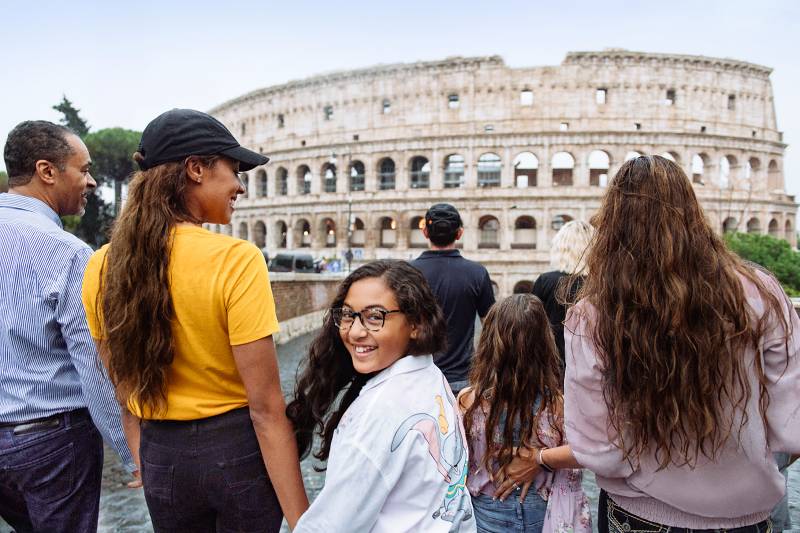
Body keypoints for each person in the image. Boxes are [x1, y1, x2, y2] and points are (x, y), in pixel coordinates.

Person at [81, 109, 308, 532]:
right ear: (197, 169)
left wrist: (146, 462)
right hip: (237, 452)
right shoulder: (236, 260)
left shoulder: (99, 267)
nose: (240, 186)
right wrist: (303, 520)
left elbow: (125, 390)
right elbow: (265, 409)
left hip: (162, 457)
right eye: (234, 170)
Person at [564, 155, 800, 531]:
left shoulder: (592, 314)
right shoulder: (761, 293)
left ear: (613, 222)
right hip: (745, 513)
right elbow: (793, 424)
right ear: (693, 212)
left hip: (642, 512)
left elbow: (599, 449)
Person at [0, 120, 136, 532]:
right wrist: (135, 453)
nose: (92, 181)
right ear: (47, 171)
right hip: (52, 442)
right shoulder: (69, 253)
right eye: (84, 169)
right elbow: (95, 365)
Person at [287, 260, 476, 532]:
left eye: (375, 317)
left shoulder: (378, 413)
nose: (354, 332)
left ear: (417, 324)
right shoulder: (430, 375)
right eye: (348, 315)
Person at [458, 294, 591, 533]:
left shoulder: (469, 401)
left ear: (488, 344)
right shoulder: (559, 405)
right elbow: (588, 451)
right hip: (543, 512)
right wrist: (541, 458)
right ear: (544, 344)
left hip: (486, 511)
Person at [411, 203, 495, 394]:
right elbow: (491, 327)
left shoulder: (408, 273)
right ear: (459, 233)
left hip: (417, 377)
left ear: (425, 232)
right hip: (462, 380)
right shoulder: (477, 273)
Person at [531, 220, 594, 365]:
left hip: (552, 366)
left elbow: (532, 328)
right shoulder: (600, 284)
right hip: (589, 368)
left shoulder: (546, 281)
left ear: (560, 247)